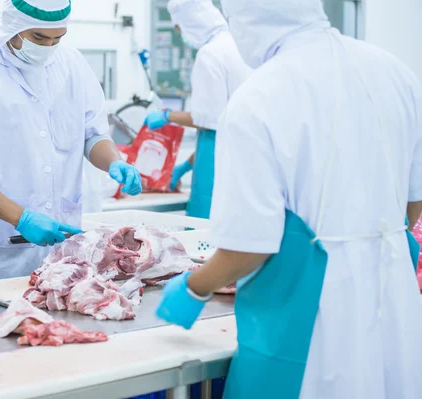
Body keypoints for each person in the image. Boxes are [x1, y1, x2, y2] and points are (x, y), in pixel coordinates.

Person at [156, 0, 422, 397]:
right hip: (394, 298)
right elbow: (412, 202)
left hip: (312, 319)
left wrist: (194, 288)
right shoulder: (395, 72)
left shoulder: (259, 96)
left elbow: (248, 248)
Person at [0, 0, 142, 283]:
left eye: (57, 38)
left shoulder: (72, 65)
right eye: (38, 37)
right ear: (12, 26)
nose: (48, 46)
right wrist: (20, 218)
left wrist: (114, 161)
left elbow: (91, 135)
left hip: (64, 261)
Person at [144, 0, 250, 219]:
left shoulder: (211, 54)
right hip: (242, 155)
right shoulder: (241, 45)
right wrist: (184, 166)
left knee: (204, 231)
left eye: (179, 28)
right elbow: (221, 124)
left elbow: (208, 120)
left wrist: (167, 115)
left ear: (190, 23)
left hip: (218, 167)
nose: (180, 34)